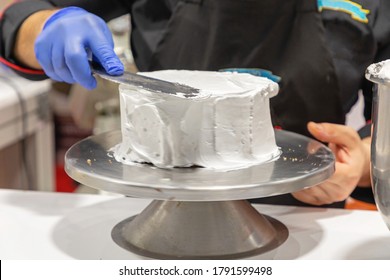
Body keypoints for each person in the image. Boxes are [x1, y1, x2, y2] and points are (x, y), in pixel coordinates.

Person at [1, 0, 387, 208]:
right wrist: (43, 27)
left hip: (307, 215)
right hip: (155, 205)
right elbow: (15, 11)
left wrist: (362, 165)